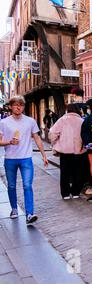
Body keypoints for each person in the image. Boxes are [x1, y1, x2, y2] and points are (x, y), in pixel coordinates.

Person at [0, 96, 48, 224]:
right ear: (10, 107)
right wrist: (9, 142)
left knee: (27, 185)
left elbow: (37, 138)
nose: (18, 107)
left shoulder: (30, 121)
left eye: (21, 105)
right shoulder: (4, 123)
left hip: (26, 158)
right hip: (10, 159)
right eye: (15, 104)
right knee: (11, 185)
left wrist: (44, 154)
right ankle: (14, 209)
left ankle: (29, 213)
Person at [49, 104, 85, 200]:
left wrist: (55, 143)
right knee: (77, 172)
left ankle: (65, 194)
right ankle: (76, 192)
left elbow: (53, 133)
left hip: (65, 151)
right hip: (79, 150)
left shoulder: (62, 120)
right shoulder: (82, 121)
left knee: (65, 173)